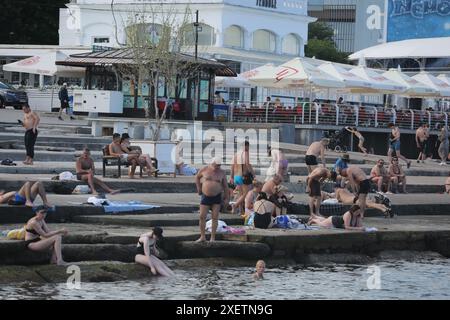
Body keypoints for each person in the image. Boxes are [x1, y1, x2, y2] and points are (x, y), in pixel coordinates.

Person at [195, 157, 229, 242]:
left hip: (217, 196)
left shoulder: (222, 172)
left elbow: (225, 186)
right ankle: (202, 236)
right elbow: (197, 177)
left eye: (219, 165)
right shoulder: (204, 169)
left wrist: (227, 198)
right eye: (216, 165)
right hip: (205, 196)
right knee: (202, 216)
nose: (217, 167)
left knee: (215, 217)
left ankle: (212, 238)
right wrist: (199, 188)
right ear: (212, 163)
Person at [230, 141, 255, 213]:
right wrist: (253, 174)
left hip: (236, 176)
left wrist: (231, 177)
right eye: (248, 147)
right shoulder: (246, 153)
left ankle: (241, 211)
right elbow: (247, 164)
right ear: (246, 146)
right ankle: (235, 205)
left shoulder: (236, 154)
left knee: (240, 194)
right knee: (245, 194)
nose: (248, 149)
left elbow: (232, 166)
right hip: (243, 176)